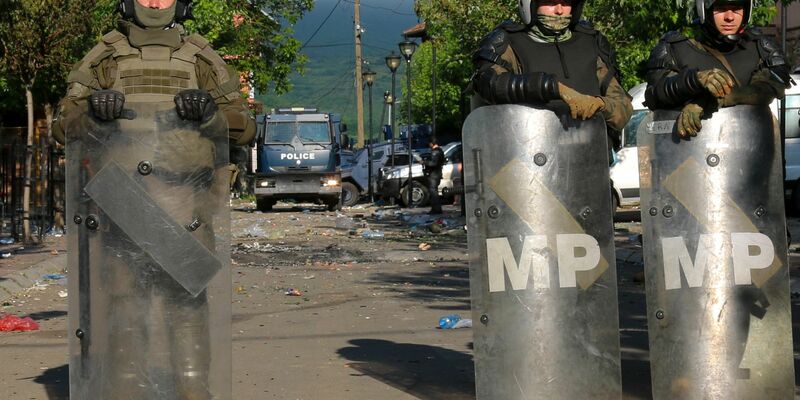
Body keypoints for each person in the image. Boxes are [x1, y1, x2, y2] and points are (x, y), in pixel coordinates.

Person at [53, 0, 254, 398]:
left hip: (185, 201)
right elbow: (64, 127)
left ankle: (193, 392)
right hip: (121, 204)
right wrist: (93, 113)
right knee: (124, 307)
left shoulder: (202, 59)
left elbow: (244, 128)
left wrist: (211, 114)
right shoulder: (104, 57)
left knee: (187, 305)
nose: (156, 4)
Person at [472, 0, 632, 140]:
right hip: (530, 160)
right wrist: (551, 87)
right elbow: (489, 84)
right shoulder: (508, 43)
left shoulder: (592, 43)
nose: (559, 10)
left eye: (566, 2)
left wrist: (600, 104)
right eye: (550, 2)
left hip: (591, 161)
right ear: (530, 4)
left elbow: (622, 108)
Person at [644, 0, 792, 137]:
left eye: (736, 9)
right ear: (705, 10)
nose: (729, 17)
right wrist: (694, 80)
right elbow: (655, 94)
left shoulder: (762, 48)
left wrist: (709, 101)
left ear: (747, 11)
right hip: (686, 155)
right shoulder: (675, 49)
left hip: (751, 154)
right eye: (721, 9)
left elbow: (769, 88)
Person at [423, 139, 445, 214]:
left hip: (434, 174)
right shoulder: (440, 151)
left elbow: (433, 163)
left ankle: (436, 209)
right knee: (433, 191)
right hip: (437, 173)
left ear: (432, 144)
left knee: (433, 191)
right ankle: (436, 208)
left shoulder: (435, 152)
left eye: (430, 144)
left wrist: (424, 162)